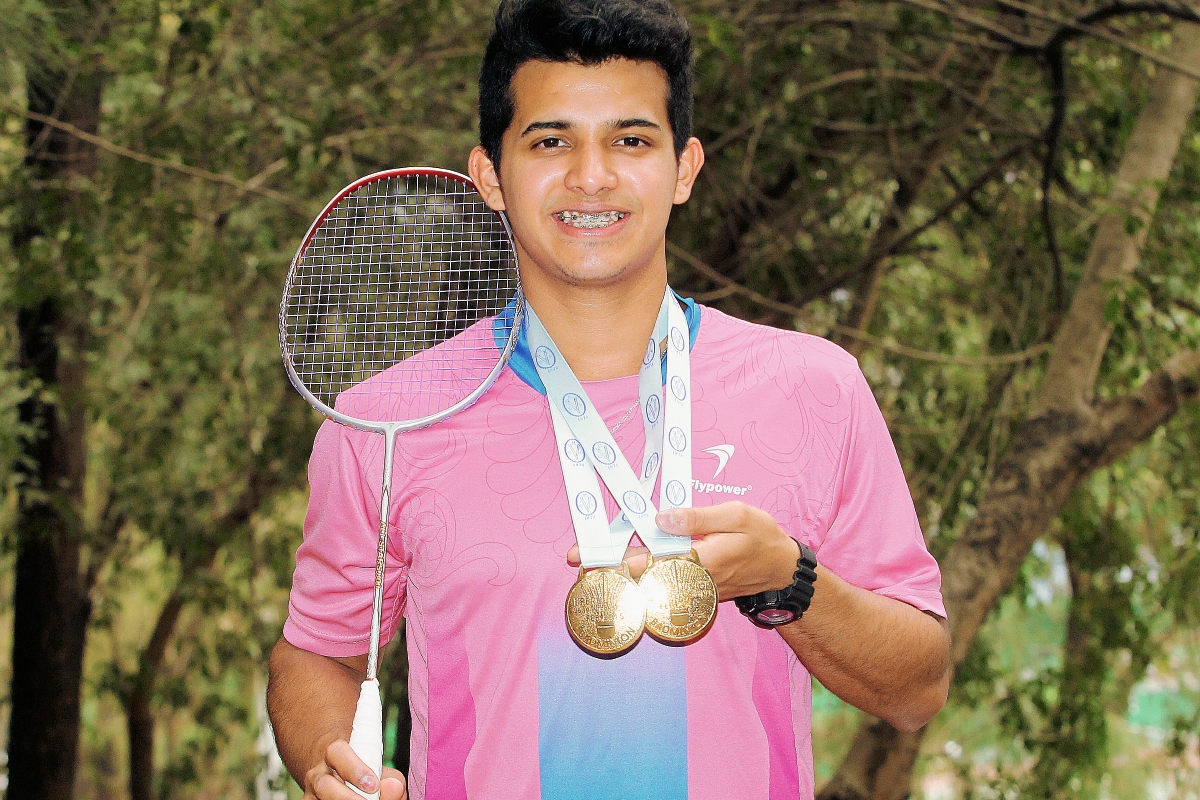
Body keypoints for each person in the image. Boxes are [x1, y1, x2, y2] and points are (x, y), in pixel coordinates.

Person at [267, 1, 951, 799]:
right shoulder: (386, 422)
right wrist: (326, 760)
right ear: (490, 174)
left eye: (630, 140)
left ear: (685, 168)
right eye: (551, 141)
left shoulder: (816, 386)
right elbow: (319, 651)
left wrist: (788, 580)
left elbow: (917, 689)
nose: (592, 176)